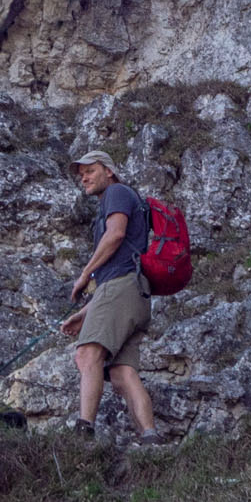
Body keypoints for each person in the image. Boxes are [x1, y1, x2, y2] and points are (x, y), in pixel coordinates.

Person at [58, 150, 166, 446]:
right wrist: (86, 312)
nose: (84, 178)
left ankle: (83, 433)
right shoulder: (123, 197)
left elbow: (116, 234)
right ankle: (150, 436)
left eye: (90, 171)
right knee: (121, 372)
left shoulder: (117, 192)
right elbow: (118, 266)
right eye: (81, 175)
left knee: (86, 355)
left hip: (120, 287)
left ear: (108, 170)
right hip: (134, 292)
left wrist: (84, 275)